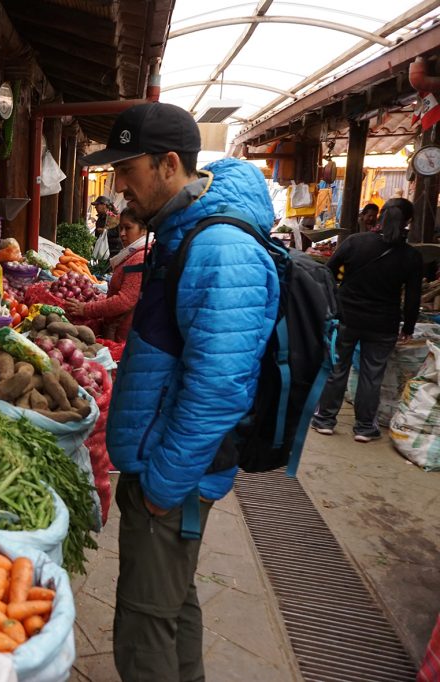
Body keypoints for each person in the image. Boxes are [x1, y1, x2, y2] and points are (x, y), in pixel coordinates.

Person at [92, 102, 280, 682]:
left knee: (145, 626)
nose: (119, 187)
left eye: (128, 170)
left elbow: (220, 386)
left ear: (169, 164)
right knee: (172, 603)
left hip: (173, 478)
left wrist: (163, 487)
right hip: (163, 468)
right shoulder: (185, 232)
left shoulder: (218, 247)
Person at [311, 197, 422, 442]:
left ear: (380, 216)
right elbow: (413, 298)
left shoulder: (355, 242)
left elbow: (327, 270)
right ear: (409, 222)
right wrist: (409, 328)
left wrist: (335, 297)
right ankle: (363, 428)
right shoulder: (411, 256)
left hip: (347, 317)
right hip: (384, 325)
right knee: (372, 375)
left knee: (338, 368)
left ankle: (325, 420)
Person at [64, 208, 150, 342]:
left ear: (144, 230)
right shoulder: (134, 253)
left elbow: (125, 301)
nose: (122, 234)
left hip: (124, 335)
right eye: (120, 228)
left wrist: (86, 309)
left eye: (128, 228)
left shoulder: (140, 258)